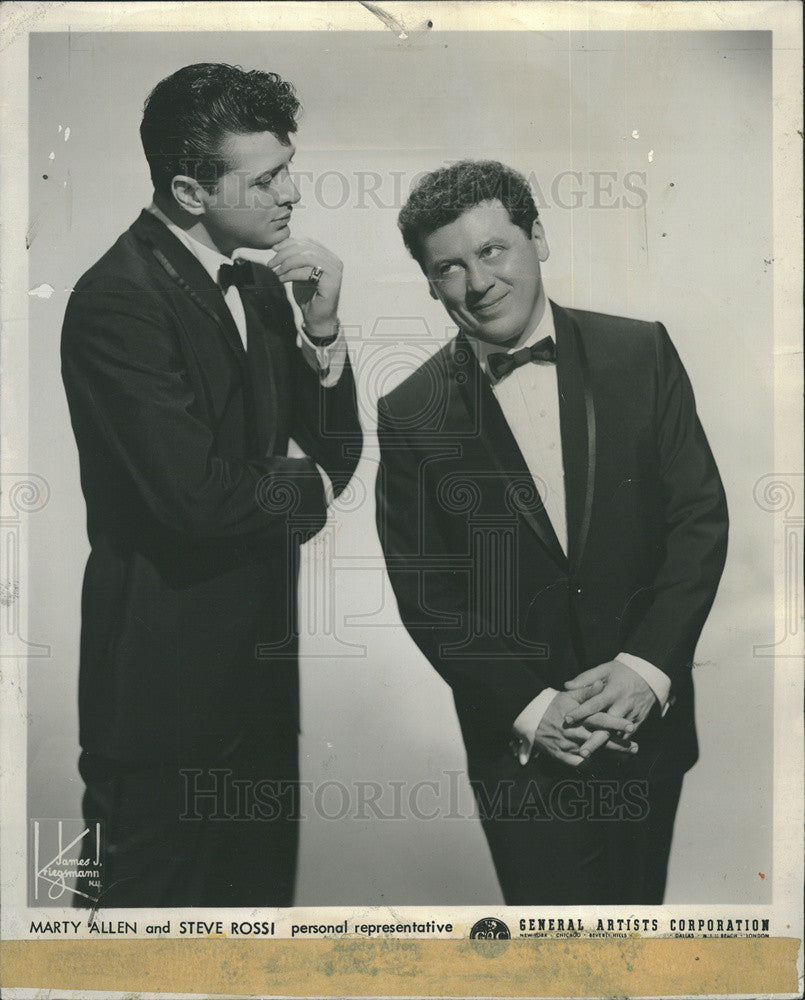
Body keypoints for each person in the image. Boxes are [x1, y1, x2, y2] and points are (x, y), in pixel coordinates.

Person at [375, 160, 727, 904]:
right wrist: (535, 711)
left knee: (636, 955)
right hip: (522, 755)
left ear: (537, 238)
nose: (477, 283)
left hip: (644, 730)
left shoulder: (640, 351)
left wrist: (645, 668)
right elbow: (427, 592)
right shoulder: (411, 412)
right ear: (431, 283)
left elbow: (696, 520)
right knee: (553, 966)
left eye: (493, 250)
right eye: (449, 268)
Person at [61, 63, 362, 907]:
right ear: (190, 191)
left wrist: (324, 328)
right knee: (138, 958)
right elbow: (194, 501)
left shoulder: (265, 289)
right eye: (266, 178)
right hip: (160, 713)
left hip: (261, 696)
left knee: (256, 952)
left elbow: (334, 454)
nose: (292, 193)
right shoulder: (115, 299)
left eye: (286, 167)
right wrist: (311, 489)